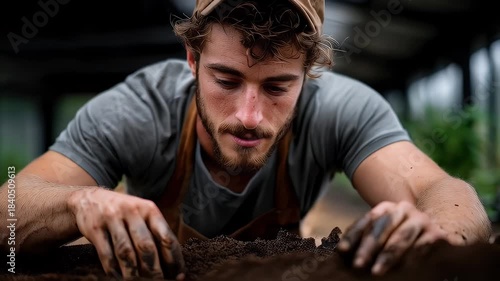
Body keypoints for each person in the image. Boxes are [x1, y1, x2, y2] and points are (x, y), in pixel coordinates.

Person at [0, 0, 492, 279]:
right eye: (226, 80)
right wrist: (81, 202)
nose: (249, 116)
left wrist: (434, 233)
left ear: (309, 74)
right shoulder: (137, 110)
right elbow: (8, 211)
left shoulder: (343, 108)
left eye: (278, 86)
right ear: (191, 60)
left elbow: (450, 195)